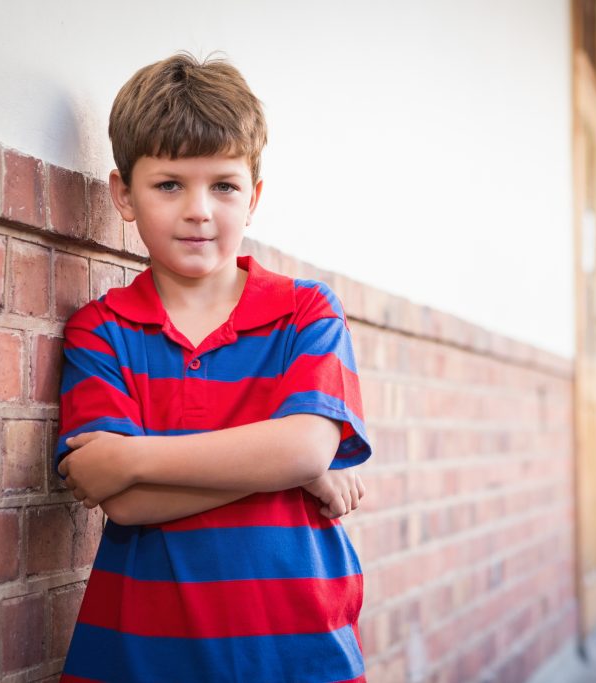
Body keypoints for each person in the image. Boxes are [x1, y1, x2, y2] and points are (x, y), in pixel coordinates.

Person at [54, 52, 371, 683]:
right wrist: (282, 469)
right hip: (142, 653)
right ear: (123, 194)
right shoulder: (103, 329)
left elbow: (307, 448)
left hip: (298, 649)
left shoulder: (306, 311)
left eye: (223, 185)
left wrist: (132, 457)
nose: (199, 210)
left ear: (252, 197)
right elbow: (128, 508)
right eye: (169, 184)